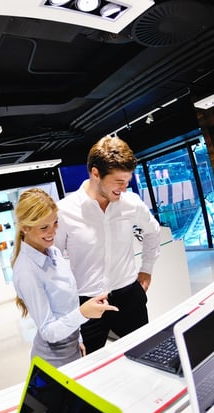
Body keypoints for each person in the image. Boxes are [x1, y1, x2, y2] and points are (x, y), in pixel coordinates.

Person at [55, 136, 161, 354]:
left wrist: (147, 269)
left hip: (129, 296)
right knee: (88, 367)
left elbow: (153, 231)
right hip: (87, 304)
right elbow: (53, 260)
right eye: (118, 181)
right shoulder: (64, 211)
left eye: (127, 180)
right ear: (95, 173)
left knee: (146, 355)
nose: (125, 187)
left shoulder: (131, 204)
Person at [11, 188, 118, 367]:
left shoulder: (54, 253)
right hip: (52, 361)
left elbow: (68, 305)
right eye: (44, 227)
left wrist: (78, 339)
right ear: (24, 228)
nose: (53, 232)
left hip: (73, 347)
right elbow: (48, 331)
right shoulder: (26, 271)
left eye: (55, 223)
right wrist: (83, 313)